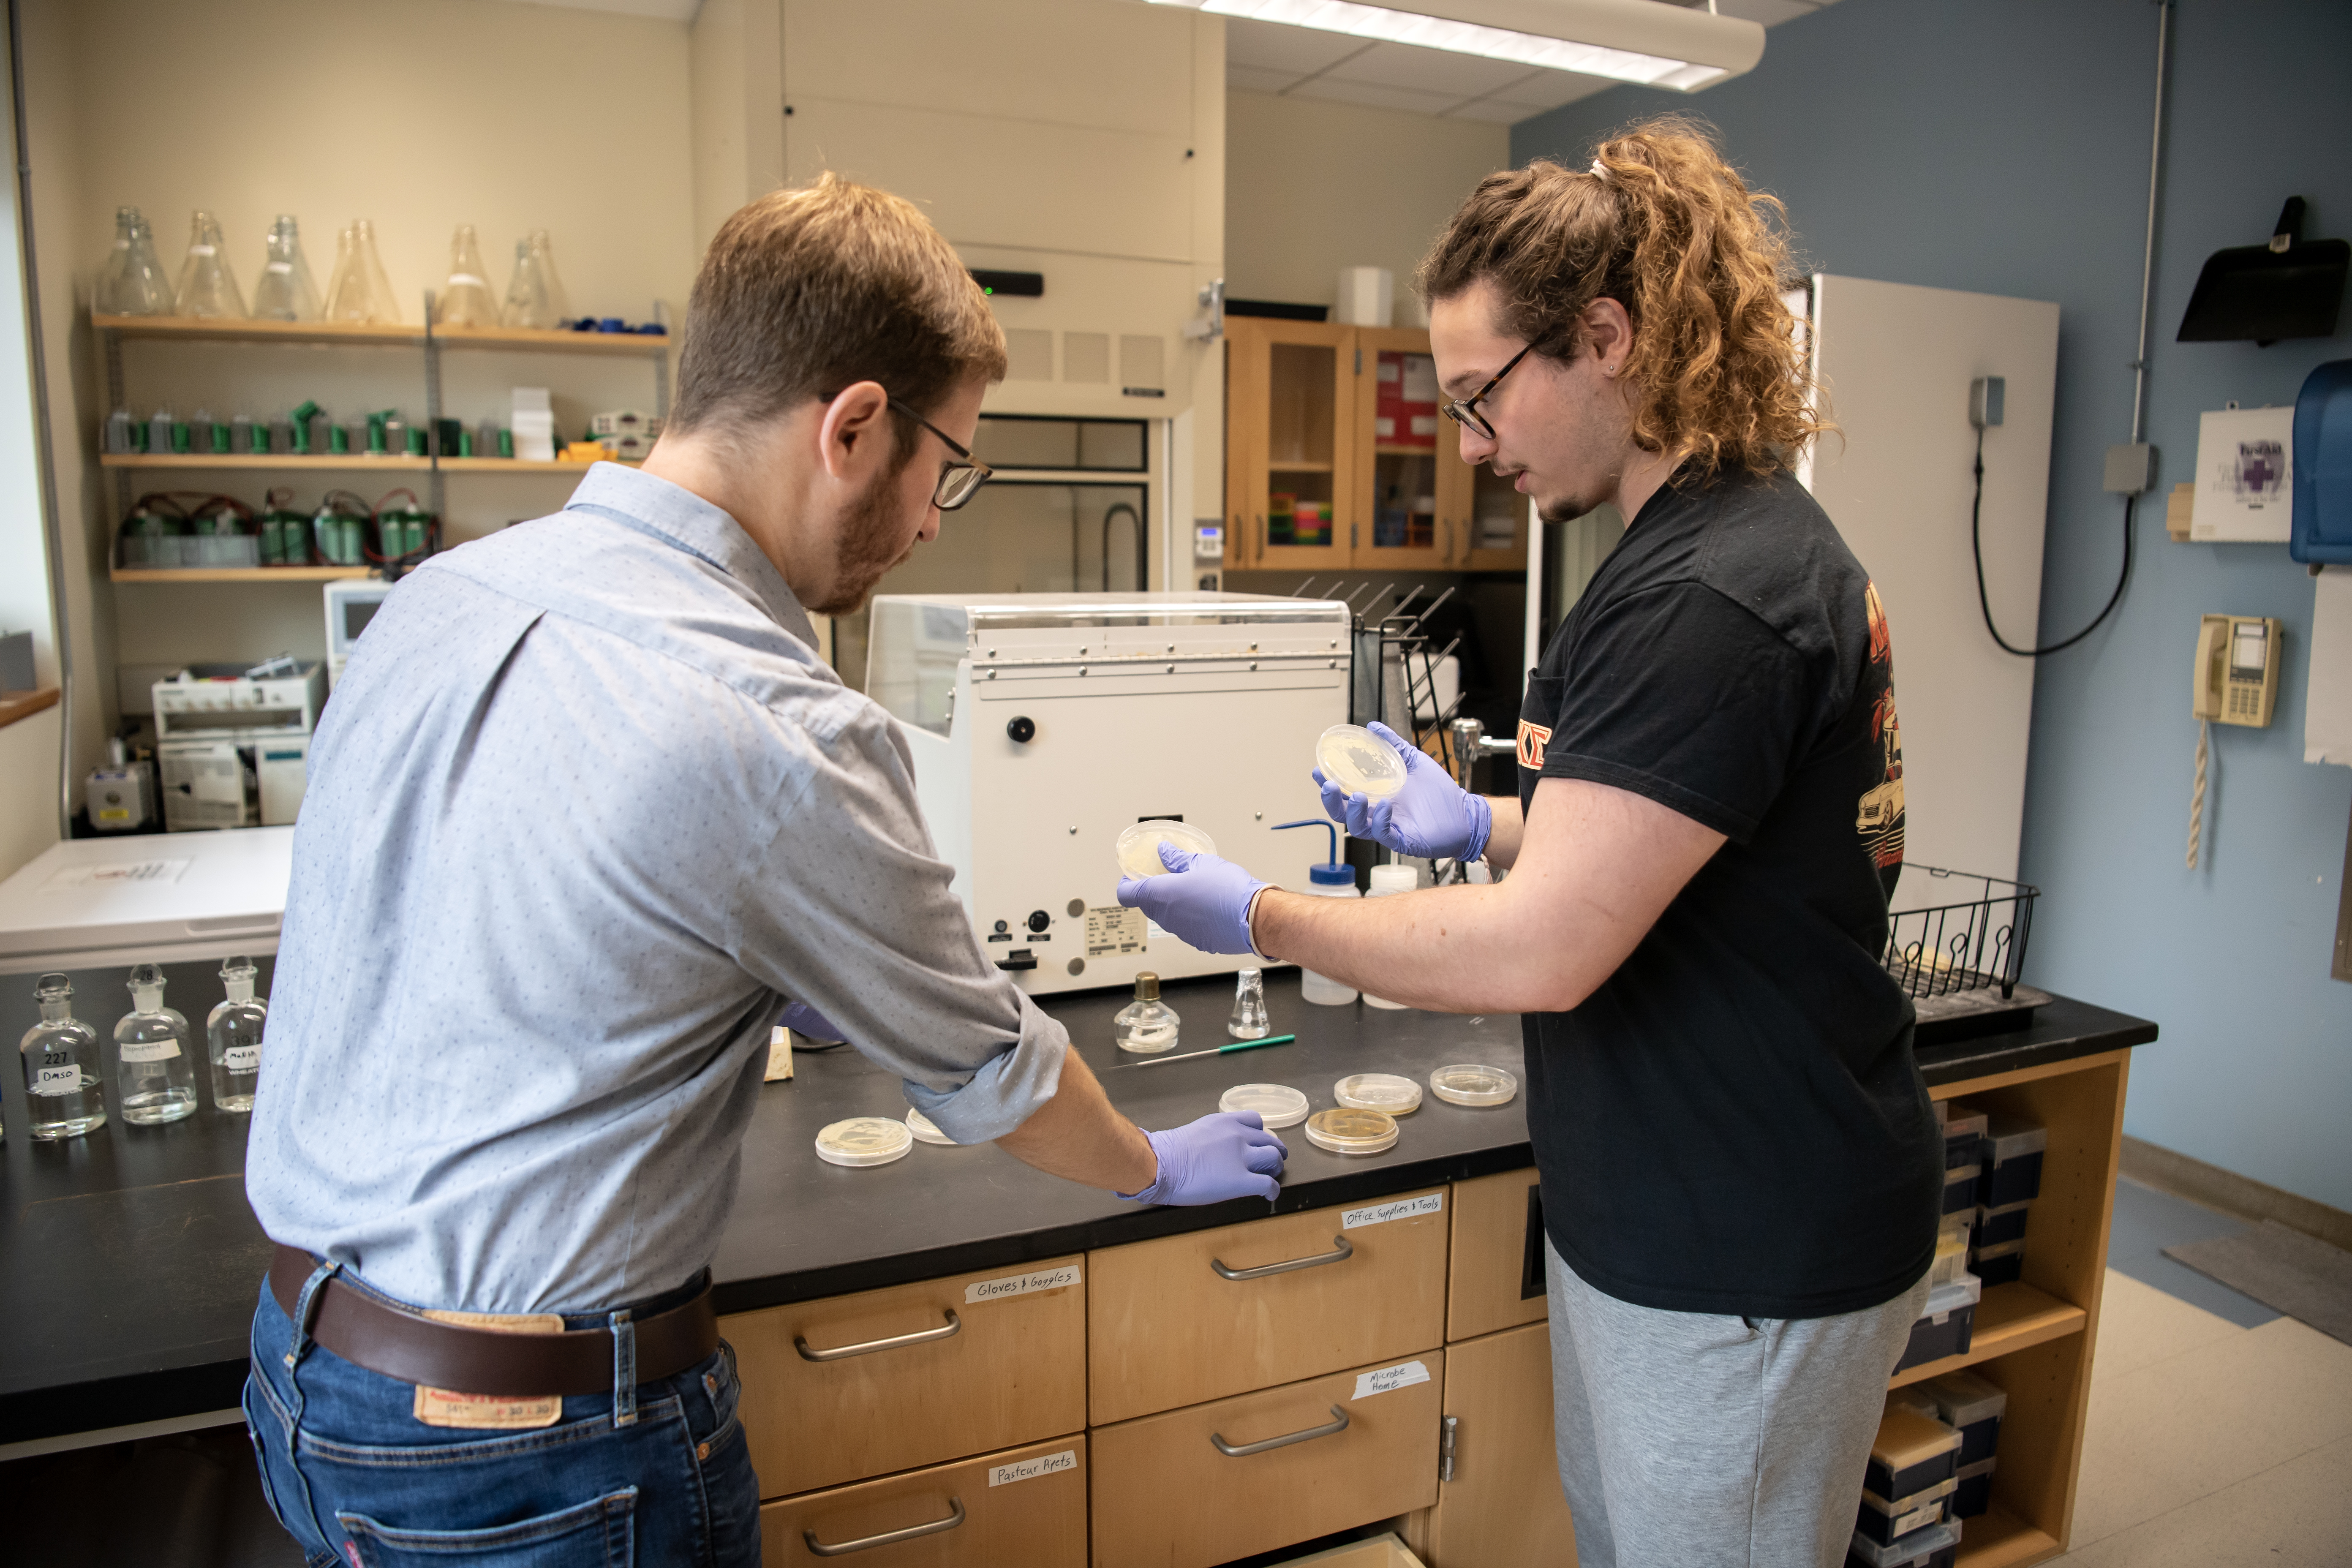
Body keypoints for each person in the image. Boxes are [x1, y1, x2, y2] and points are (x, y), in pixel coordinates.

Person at [240, 174, 1285, 1566]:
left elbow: (463, 919)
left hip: (302, 1375)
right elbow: (1003, 1081)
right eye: (945, 469)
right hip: (535, 1457)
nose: (931, 518)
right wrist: (1151, 1163)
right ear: (854, 426)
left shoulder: (438, 596)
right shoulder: (780, 723)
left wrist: (739, 973)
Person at [1120, 120, 1941, 1568]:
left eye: (1482, 395)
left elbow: (1547, 947)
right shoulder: (1704, 545)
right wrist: (1487, 822)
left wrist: (1266, 918)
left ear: (1607, 338)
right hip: (1675, 1213)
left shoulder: (1716, 591)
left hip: (1744, 1239)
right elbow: (1681, 831)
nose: (1472, 442)